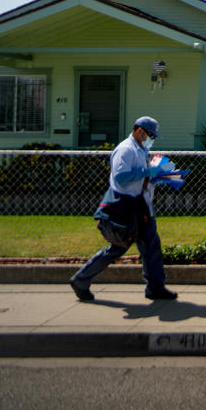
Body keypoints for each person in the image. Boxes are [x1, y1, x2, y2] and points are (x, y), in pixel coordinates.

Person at [69, 116, 178, 301]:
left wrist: (158, 173)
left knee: (151, 246)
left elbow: (136, 176)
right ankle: (81, 279)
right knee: (118, 248)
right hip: (126, 207)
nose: (150, 138)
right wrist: (147, 172)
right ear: (139, 131)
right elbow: (120, 177)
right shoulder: (126, 149)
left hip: (139, 206)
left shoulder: (140, 149)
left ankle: (156, 287)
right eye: (150, 134)